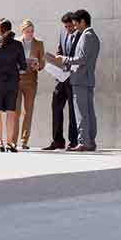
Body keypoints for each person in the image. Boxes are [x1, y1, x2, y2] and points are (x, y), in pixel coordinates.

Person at [51, 9, 100, 152]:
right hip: (85, 79)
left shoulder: (87, 36)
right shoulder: (90, 35)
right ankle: (90, 142)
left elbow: (82, 59)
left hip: (81, 79)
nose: (75, 27)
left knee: (82, 113)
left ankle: (84, 142)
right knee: (88, 112)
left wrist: (65, 59)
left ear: (82, 22)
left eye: (75, 24)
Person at [0, 18, 27, 152]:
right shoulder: (18, 45)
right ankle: (10, 143)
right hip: (12, 83)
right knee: (11, 113)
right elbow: (23, 66)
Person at [44, 13, 80, 151]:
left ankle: (73, 141)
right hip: (61, 77)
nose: (68, 29)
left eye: (70, 26)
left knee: (72, 109)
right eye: (65, 26)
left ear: (74, 24)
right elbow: (60, 51)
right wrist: (55, 64)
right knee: (56, 106)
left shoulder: (81, 36)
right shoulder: (62, 33)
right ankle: (57, 140)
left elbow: (79, 57)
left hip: (74, 77)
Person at [14, 19, 44, 149]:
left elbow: (42, 61)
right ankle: (13, 141)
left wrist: (38, 65)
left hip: (31, 80)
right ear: (22, 31)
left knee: (28, 111)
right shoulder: (15, 42)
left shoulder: (39, 43)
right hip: (17, 80)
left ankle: (24, 141)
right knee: (15, 112)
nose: (30, 34)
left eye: (32, 31)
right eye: (27, 31)